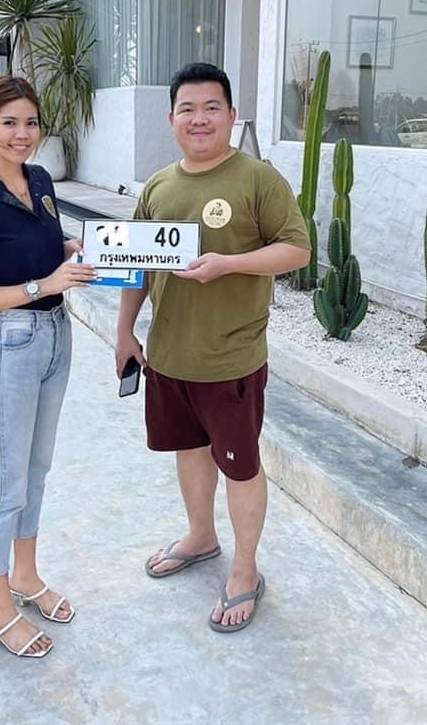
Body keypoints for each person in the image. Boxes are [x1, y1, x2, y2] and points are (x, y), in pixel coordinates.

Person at [115, 62, 311, 633]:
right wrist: (125, 331)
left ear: (231, 115)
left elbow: (297, 249)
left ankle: (245, 568)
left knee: (240, 466)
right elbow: (136, 265)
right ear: (171, 119)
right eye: (187, 109)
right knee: (189, 452)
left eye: (211, 108)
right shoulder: (158, 186)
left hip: (231, 360)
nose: (199, 119)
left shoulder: (257, 179)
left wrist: (229, 264)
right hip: (169, 357)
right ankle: (201, 536)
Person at [0, 74, 97, 659]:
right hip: (14, 341)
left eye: (31, 122)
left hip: (57, 334)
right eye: (8, 122)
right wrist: (43, 284)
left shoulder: (40, 180)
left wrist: (71, 251)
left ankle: (26, 575)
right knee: (5, 480)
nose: (22, 134)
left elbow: (39, 251)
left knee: (35, 470)